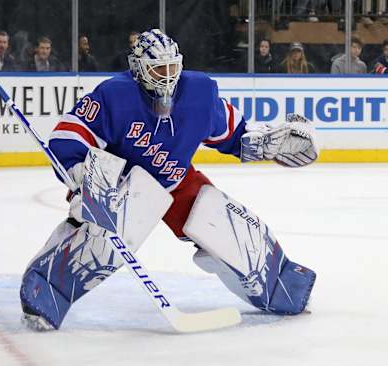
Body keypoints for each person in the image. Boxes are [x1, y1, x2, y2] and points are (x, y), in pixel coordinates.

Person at [19, 29, 318, 330]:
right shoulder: (114, 94)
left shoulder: (199, 93)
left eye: (171, 68)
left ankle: (281, 287)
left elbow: (235, 133)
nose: (166, 77)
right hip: (122, 184)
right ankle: (45, 292)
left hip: (176, 180)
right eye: (157, 69)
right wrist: (85, 175)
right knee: (102, 241)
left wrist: (267, 141)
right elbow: (67, 137)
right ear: (138, 69)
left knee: (225, 226)